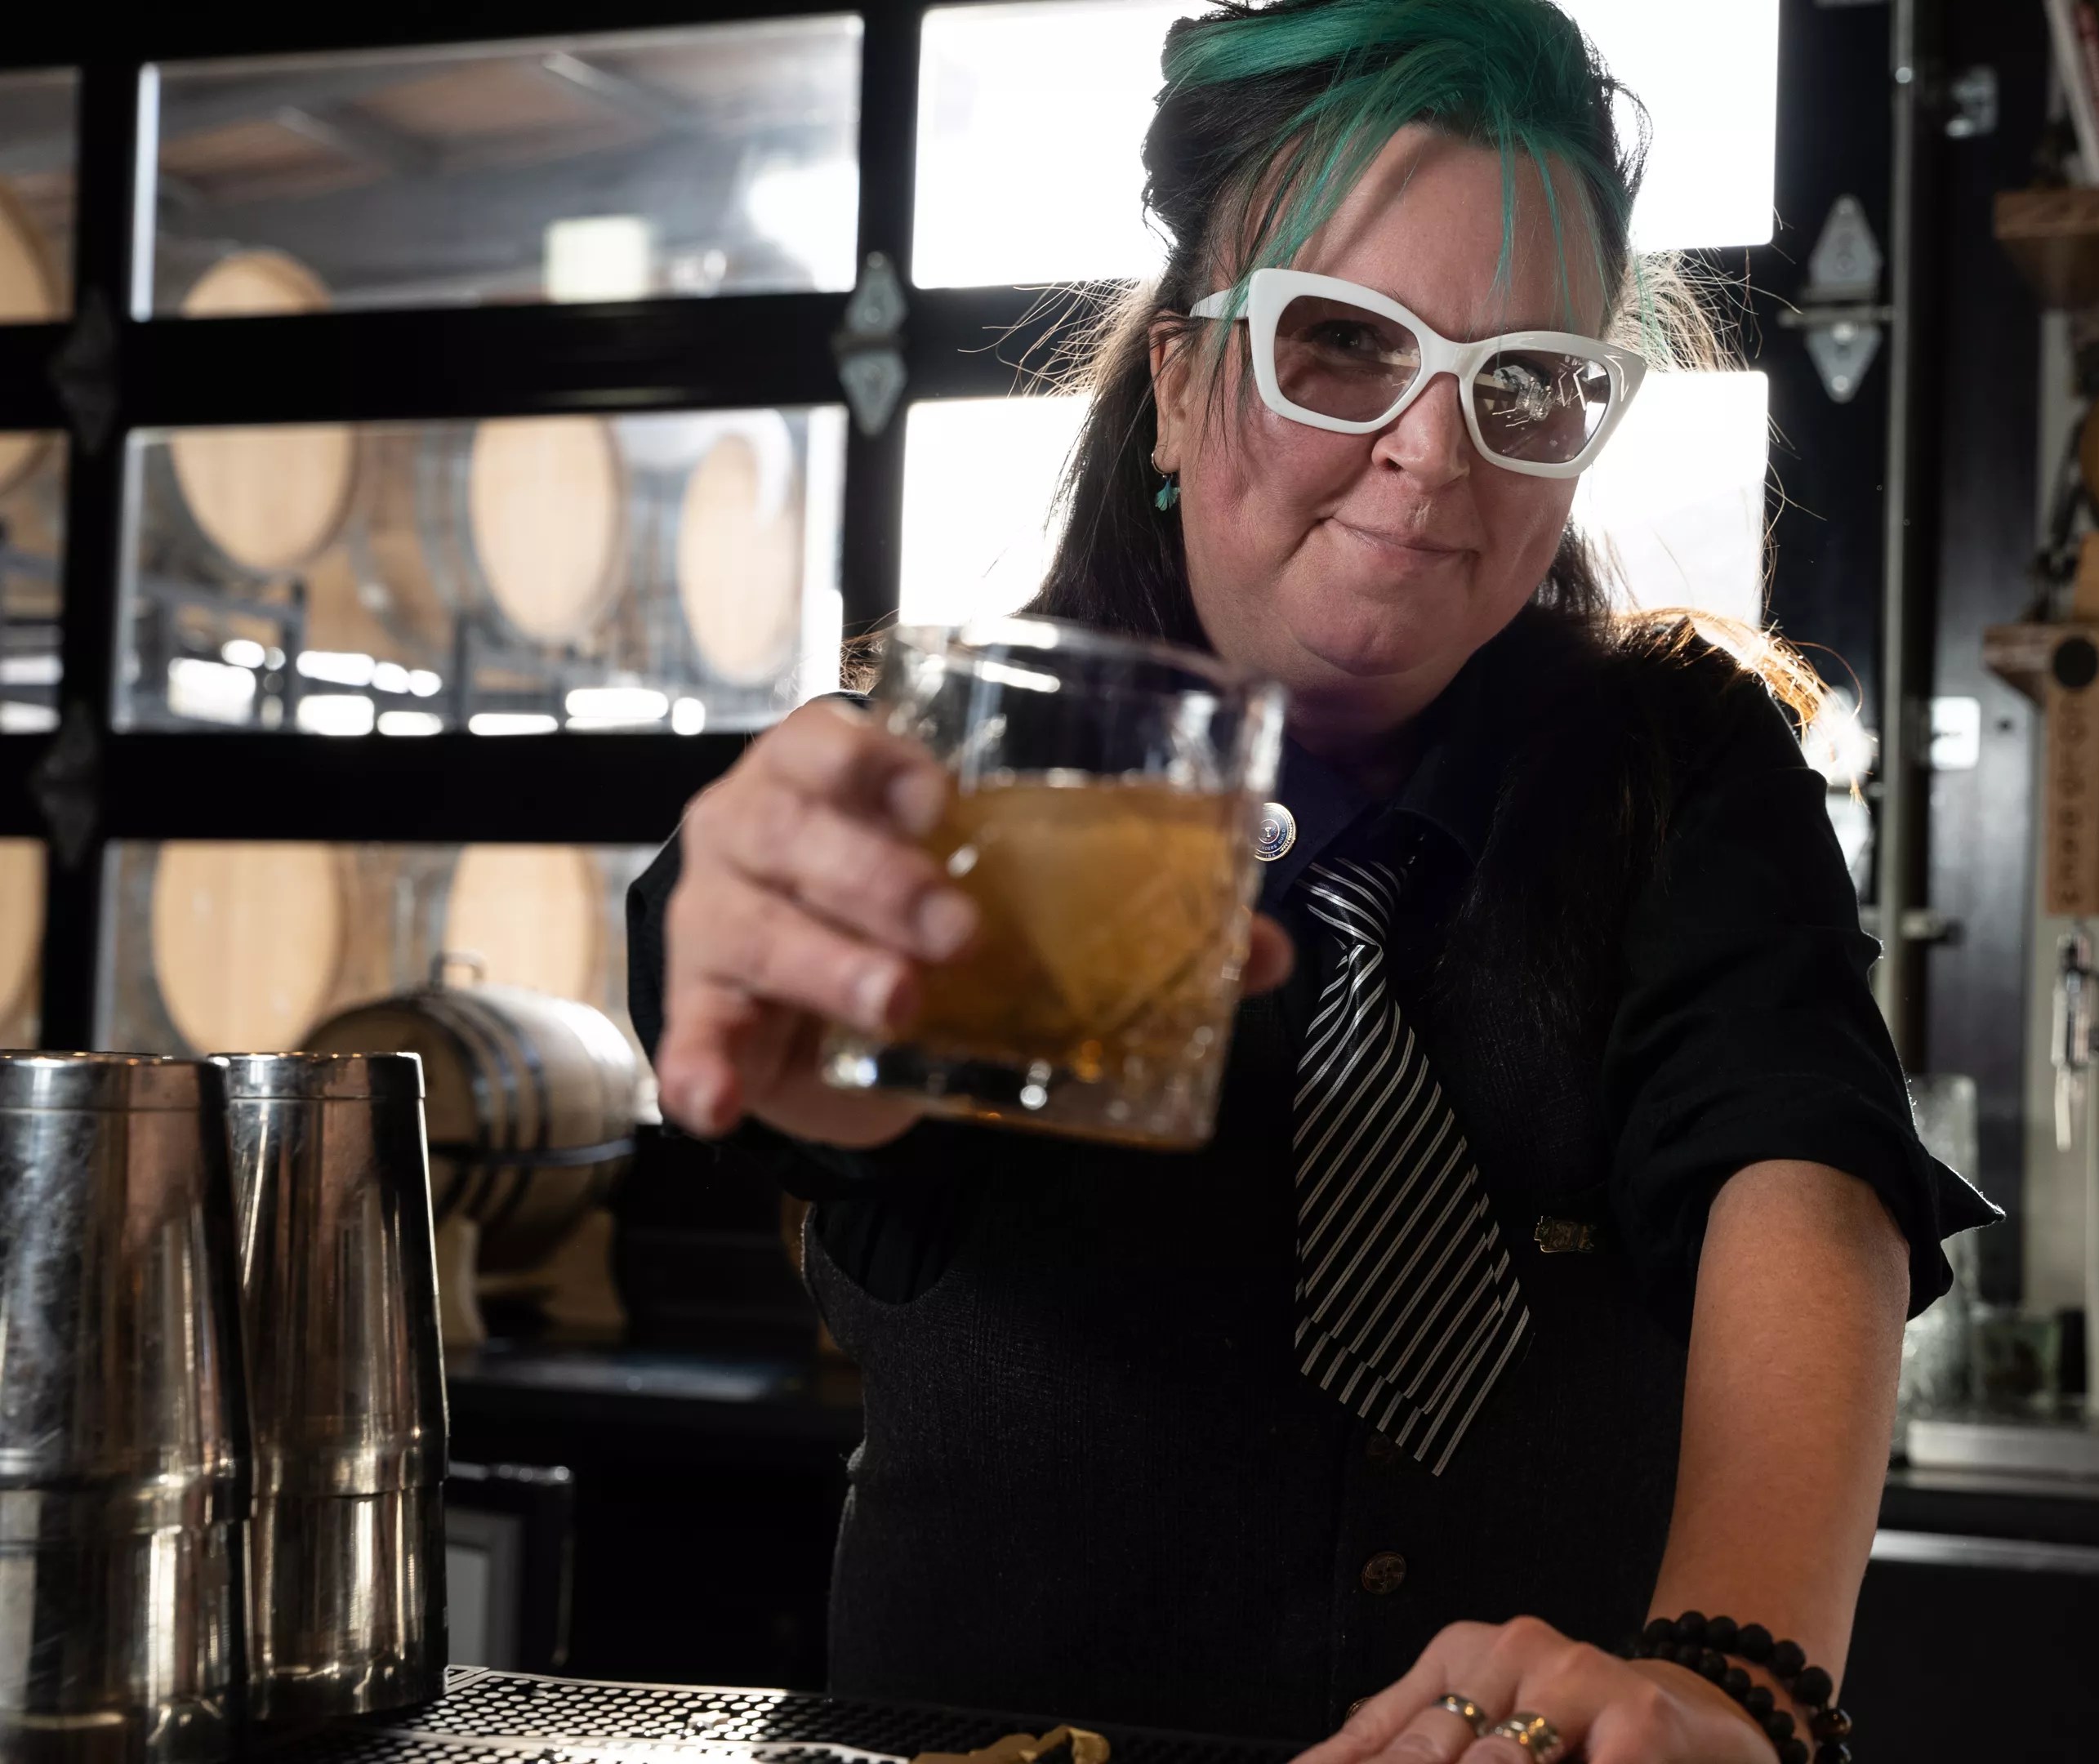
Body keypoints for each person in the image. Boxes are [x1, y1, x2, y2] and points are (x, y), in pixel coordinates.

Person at [627, 1, 1995, 1758]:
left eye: (1525, 379)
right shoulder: (960, 776)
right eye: (1342, 345)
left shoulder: (1681, 767)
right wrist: (790, 998)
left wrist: (1732, 1687)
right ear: (1180, 387)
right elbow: (824, 1064)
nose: (1434, 453)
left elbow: (1799, 1168)